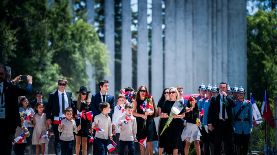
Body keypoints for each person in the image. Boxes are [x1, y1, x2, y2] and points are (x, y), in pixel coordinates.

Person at [0, 64, 33, 155]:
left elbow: (6, 85)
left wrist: (13, 82)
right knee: (6, 148)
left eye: (1, 74)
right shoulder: (11, 87)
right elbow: (28, 91)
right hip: (8, 123)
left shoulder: (10, 87)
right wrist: (30, 82)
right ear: (7, 75)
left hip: (8, 124)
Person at [45, 78, 73, 155]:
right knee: (58, 139)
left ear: (65, 85)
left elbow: (72, 106)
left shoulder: (69, 94)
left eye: (63, 84)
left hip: (67, 120)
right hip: (57, 119)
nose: (62, 86)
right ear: (58, 85)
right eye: (60, 84)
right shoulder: (52, 95)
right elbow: (48, 108)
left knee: (68, 138)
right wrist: (48, 118)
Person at [207, 82, 235, 155]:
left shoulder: (230, 97)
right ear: (219, 88)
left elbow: (233, 104)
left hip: (227, 124)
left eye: (224, 87)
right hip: (218, 123)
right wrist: (209, 123)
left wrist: (227, 97)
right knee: (217, 144)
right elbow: (210, 112)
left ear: (226, 88)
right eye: (221, 87)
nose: (222, 89)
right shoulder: (214, 98)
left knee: (229, 144)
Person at [159, 87, 185, 155]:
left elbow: (183, 115)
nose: (171, 93)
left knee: (175, 146)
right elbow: (161, 114)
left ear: (176, 93)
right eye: (170, 92)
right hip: (167, 126)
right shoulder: (166, 102)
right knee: (167, 146)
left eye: (173, 92)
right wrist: (163, 115)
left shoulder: (179, 103)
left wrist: (175, 116)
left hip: (176, 127)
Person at [133, 86, 158, 155]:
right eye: (141, 90)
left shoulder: (149, 99)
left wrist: (148, 113)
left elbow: (153, 111)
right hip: (140, 122)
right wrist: (142, 115)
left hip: (149, 121)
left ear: (146, 92)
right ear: (139, 92)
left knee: (149, 141)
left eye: (144, 91)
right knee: (141, 142)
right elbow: (133, 112)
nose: (143, 92)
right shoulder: (136, 100)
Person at [232, 87, 252, 155]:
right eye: (239, 94)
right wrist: (233, 126)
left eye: (242, 94)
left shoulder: (248, 103)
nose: (241, 95)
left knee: (245, 146)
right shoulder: (234, 103)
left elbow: (250, 116)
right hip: (237, 127)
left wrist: (251, 126)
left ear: (244, 94)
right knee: (238, 145)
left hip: (246, 127)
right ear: (237, 94)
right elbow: (233, 116)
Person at [74, 86, 92, 155]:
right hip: (77, 125)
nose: (84, 95)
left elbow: (90, 117)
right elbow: (73, 115)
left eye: (85, 94)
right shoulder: (75, 103)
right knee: (78, 143)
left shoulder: (89, 104)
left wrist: (90, 128)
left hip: (86, 125)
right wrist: (77, 124)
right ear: (80, 94)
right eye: (82, 93)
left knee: (85, 144)